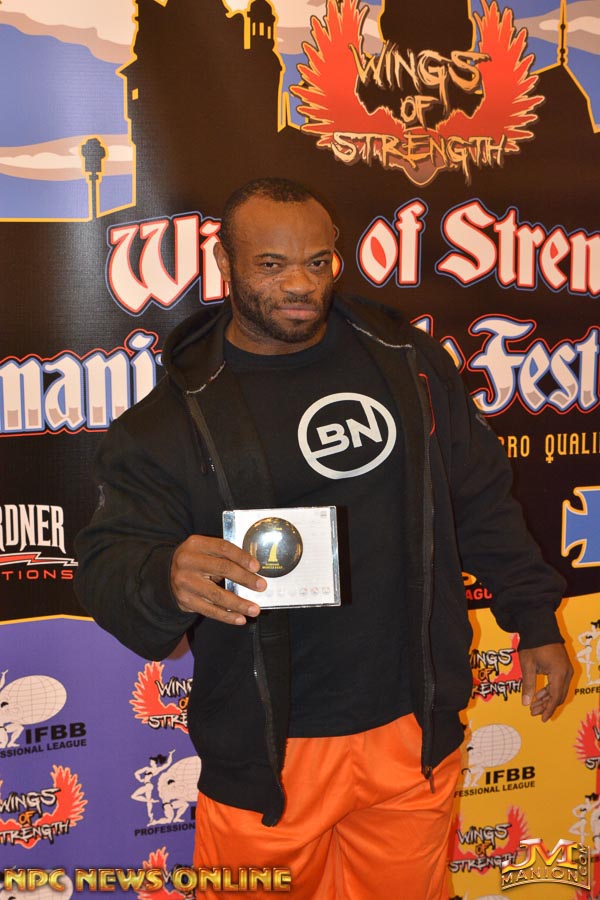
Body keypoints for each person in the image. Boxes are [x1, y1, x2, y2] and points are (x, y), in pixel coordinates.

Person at [75, 178, 573, 899]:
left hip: (410, 727)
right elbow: (106, 563)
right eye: (271, 265)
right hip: (270, 752)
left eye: (317, 262)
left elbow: (479, 497)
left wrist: (534, 618)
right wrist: (162, 574)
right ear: (226, 264)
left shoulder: (405, 361)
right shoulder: (170, 419)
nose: (300, 285)